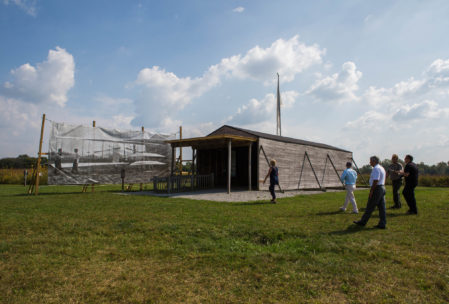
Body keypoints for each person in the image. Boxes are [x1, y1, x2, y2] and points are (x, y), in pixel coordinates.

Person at [354, 156, 387, 229]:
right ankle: (382, 223)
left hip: (377, 188)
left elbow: (376, 180)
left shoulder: (376, 168)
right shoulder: (381, 168)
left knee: (370, 206)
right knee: (382, 207)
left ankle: (363, 221)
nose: (370, 162)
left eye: (371, 161)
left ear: (374, 161)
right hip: (382, 187)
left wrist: (372, 190)